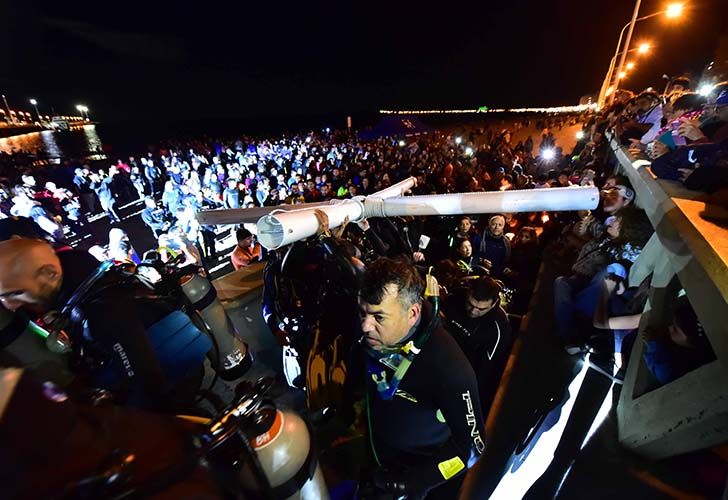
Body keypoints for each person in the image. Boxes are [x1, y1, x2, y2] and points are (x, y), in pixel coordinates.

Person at [0, 238, 211, 411]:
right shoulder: (93, 283)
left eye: (15, 293)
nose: (10, 305)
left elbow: (146, 383)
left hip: (172, 396)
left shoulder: (100, 312)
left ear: (49, 274)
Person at [356, 257, 485, 499]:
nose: (365, 326)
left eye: (379, 317)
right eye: (362, 313)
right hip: (377, 450)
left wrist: (417, 481)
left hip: (417, 467)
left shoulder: (449, 369)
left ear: (413, 313)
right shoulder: (374, 329)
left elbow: (473, 447)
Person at [443, 276, 512, 414]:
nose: (473, 311)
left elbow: (483, 372)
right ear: (468, 292)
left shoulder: (498, 328)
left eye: (481, 309)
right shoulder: (456, 296)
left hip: (461, 374)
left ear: (493, 304)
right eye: (470, 304)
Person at [472, 214, 511, 279]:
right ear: (489, 223)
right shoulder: (479, 237)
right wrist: (482, 261)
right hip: (479, 275)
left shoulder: (506, 242)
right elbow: (472, 256)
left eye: (500, 225)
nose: (496, 227)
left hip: (497, 277)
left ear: (503, 226)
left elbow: (506, 261)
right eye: (494, 224)